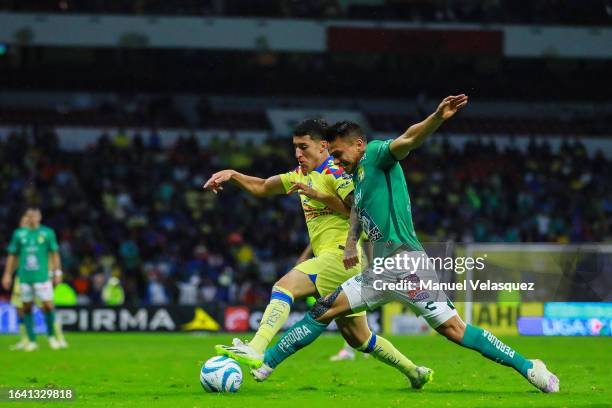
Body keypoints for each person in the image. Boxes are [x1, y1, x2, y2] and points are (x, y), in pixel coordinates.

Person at [252, 95, 560, 394]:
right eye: (330, 155)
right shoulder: (357, 180)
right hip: (386, 269)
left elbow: (409, 140)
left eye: (338, 154)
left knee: (454, 330)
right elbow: (357, 211)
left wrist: (437, 117)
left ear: (357, 145)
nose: (335, 161)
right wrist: (349, 245)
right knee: (325, 308)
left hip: (406, 263)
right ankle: (265, 365)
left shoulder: (375, 154)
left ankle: (529, 366)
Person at [204, 119, 432, 388]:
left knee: (283, 287)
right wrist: (233, 174)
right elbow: (263, 186)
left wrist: (318, 195)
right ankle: (415, 372)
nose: (298, 154)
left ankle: (256, 347)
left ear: (323, 146)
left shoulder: (337, 172)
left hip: (341, 257)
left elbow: (357, 210)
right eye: (295, 148)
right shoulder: (300, 175)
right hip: (336, 261)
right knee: (359, 338)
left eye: (304, 147)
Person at [2, 207, 66, 351]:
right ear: (27, 217)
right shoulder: (19, 234)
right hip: (24, 278)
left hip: (42, 277)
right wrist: (7, 274)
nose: (32, 218)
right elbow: (12, 256)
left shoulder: (47, 233)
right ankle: (31, 340)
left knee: (48, 305)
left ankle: (53, 337)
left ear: (40, 216)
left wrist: (57, 272)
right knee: (26, 307)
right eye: (29, 216)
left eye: (34, 215)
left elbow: (54, 254)